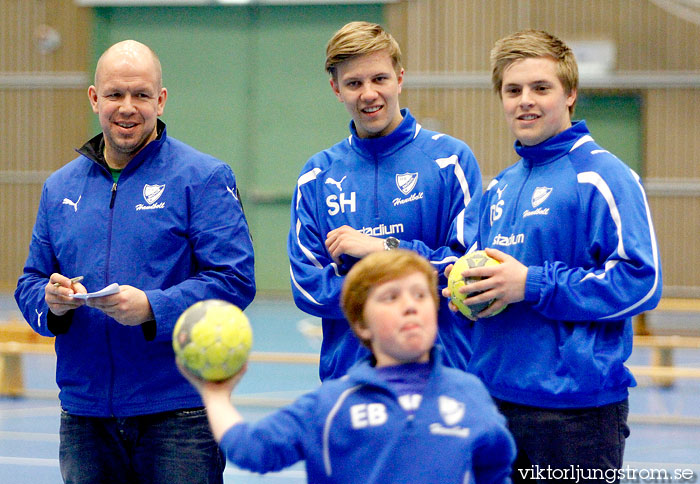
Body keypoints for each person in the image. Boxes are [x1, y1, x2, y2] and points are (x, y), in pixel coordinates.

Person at [14, 40, 256, 484]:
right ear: (94, 99)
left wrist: (152, 307)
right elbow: (29, 280)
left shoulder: (203, 178)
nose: (128, 108)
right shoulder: (58, 187)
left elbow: (235, 281)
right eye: (115, 94)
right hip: (84, 417)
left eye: (141, 95)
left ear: (160, 100)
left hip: (177, 415)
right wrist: (51, 302)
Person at [443, 30, 662, 483]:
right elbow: (461, 260)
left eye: (541, 88)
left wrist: (532, 285)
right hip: (493, 403)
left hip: (573, 417)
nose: (526, 101)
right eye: (513, 90)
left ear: (570, 93)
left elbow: (640, 280)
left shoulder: (605, 177)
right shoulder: (499, 186)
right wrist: (463, 291)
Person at [181, 249, 516, 484]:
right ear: (361, 325)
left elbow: (495, 467)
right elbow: (252, 450)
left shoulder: (471, 395)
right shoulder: (332, 405)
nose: (410, 307)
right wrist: (215, 394)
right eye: (390, 297)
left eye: (420, 295)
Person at [288, 21, 483, 381]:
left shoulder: (450, 161)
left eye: (379, 79)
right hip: (351, 380)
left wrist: (382, 249)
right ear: (336, 89)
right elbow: (308, 288)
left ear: (400, 78)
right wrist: (409, 288)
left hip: (442, 376)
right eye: (354, 83)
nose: (368, 94)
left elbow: (464, 271)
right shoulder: (317, 177)